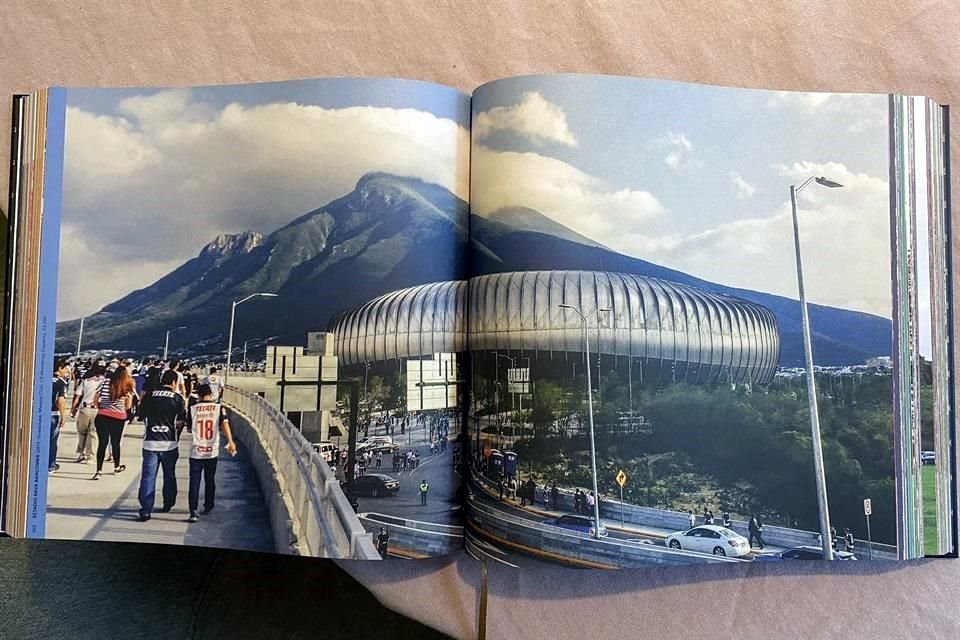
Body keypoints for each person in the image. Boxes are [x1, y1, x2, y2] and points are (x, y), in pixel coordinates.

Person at [136, 370, 186, 521]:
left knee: (148, 477)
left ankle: (146, 509)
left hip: (150, 441)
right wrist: (176, 436)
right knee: (169, 475)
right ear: (174, 383)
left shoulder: (149, 396)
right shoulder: (178, 399)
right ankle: (168, 502)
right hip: (169, 443)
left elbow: (141, 416)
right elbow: (181, 422)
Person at [186, 383, 237, 523]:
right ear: (211, 394)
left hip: (196, 450)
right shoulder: (219, 408)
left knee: (194, 482)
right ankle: (208, 505)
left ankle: (193, 512)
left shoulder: (192, 409)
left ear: (199, 395)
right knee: (210, 479)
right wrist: (231, 441)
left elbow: (189, 429)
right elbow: (224, 424)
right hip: (212, 450)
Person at [92, 364, 135, 480]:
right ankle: (116, 466)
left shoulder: (105, 383)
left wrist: (100, 407)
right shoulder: (127, 386)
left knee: (102, 443)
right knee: (115, 443)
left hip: (102, 416)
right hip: (118, 417)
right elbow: (128, 405)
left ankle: (98, 471)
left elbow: (95, 399)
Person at [71, 363, 105, 463]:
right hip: (98, 409)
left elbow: (77, 396)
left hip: (84, 408)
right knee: (94, 433)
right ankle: (91, 456)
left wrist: (73, 409)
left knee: (82, 432)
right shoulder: (104, 381)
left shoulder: (86, 381)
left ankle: (81, 453)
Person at [49, 359, 71, 473]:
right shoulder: (61, 382)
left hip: (41, 413)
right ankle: (51, 465)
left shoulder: (45, 378)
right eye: (65, 368)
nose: (67, 370)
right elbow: (61, 400)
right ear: (60, 369)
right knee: (52, 441)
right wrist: (63, 416)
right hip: (53, 414)